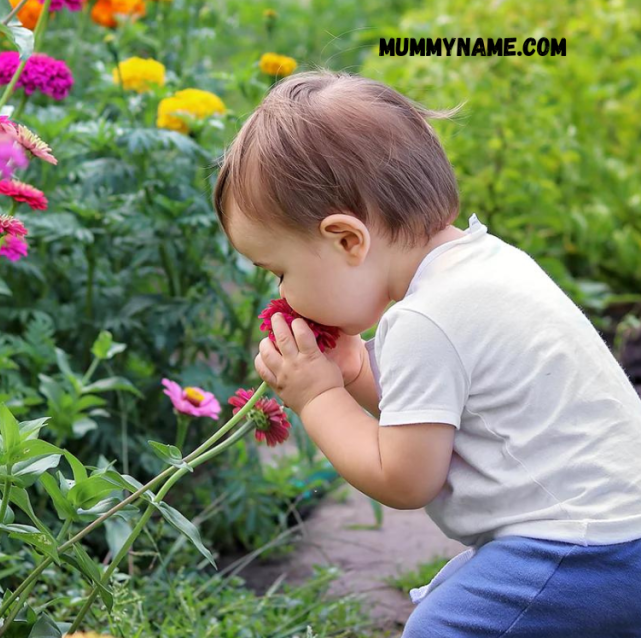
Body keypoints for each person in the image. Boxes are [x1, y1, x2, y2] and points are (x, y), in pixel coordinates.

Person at [214, 69, 641, 637]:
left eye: (280, 271)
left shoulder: (424, 319)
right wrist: (355, 370)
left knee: (441, 628)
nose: (283, 295)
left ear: (347, 240)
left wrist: (317, 396)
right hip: (619, 532)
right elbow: (433, 412)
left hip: (587, 552)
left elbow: (405, 477)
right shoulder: (486, 264)